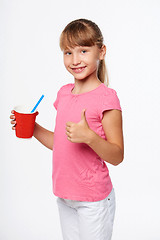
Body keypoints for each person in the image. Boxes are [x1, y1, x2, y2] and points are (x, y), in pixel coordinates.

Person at [10, 19, 124, 240]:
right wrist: (33, 128)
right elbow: (62, 143)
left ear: (101, 52)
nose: (75, 60)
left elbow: (117, 155)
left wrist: (90, 137)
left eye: (83, 50)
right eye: (68, 52)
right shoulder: (64, 93)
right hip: (65, 196)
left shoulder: (107, 98)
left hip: (93, 201)